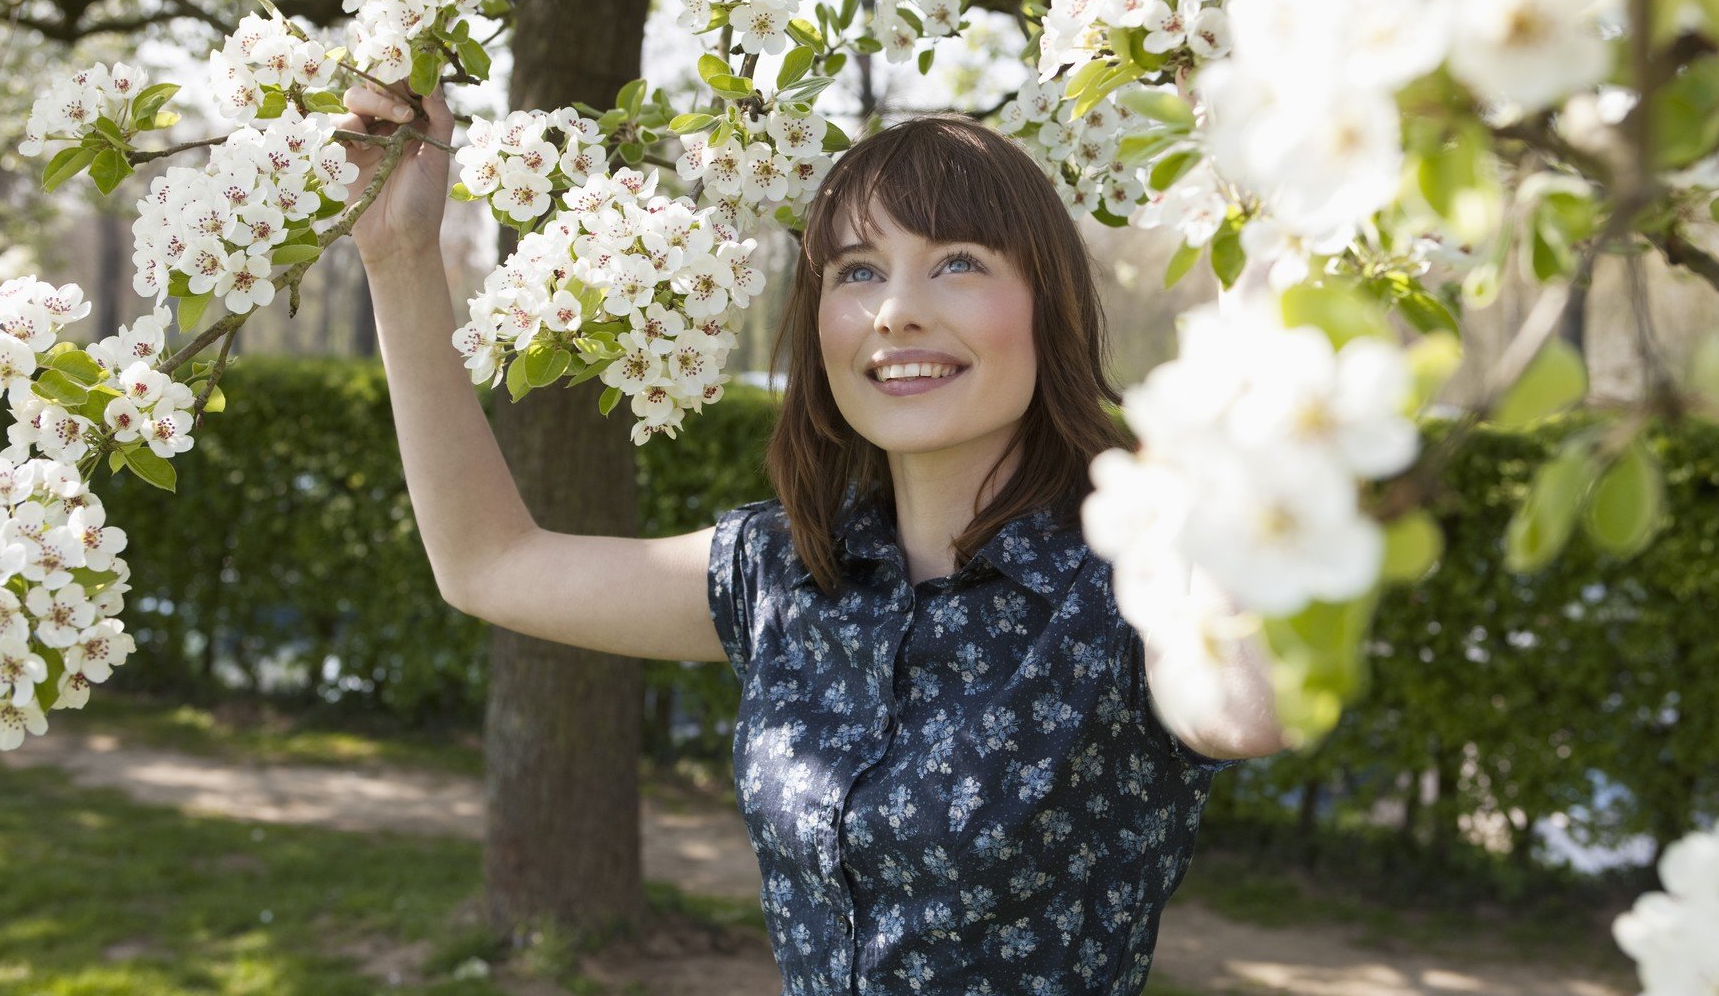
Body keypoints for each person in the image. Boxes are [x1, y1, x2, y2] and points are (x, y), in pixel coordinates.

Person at [339, 81, 1270, 995]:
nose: (894, 309)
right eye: (857, 270)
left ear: (1048, 305)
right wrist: (397, 254)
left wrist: (1265, 303)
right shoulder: (785, 572)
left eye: (957, 262)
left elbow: (1243, 713)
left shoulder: (1129, 569)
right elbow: (489, 565)